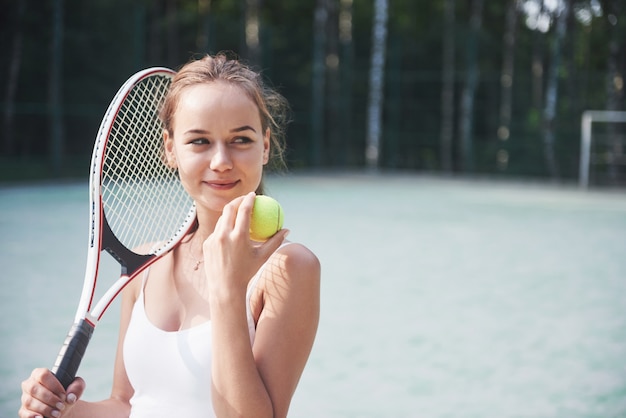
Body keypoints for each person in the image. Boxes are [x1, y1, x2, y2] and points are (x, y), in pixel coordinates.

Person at [19, 53, 321, 418]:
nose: (222, 161)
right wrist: (59, 409)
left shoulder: (290, 267)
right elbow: (127, 406)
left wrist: (228, 290)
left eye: (240, 139)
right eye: (199, 141)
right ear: (169, 149)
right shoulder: (143, 266)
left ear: (266, 145)